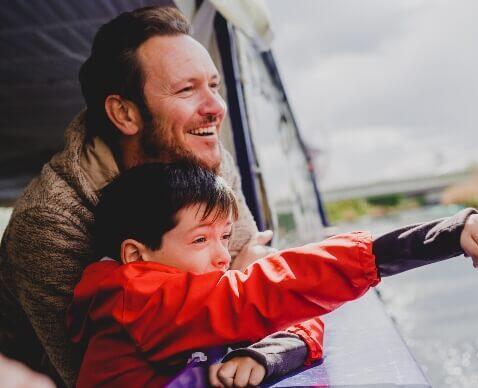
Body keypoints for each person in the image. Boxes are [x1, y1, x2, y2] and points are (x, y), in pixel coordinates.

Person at [68, 162, 478, 387]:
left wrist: (269, 352)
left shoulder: (189, 299)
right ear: (136, 255)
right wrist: (434, 238)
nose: (219, 257)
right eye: (198, 240)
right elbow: (268, 291)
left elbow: (288, 313)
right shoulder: (137, 300)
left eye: (223, 238)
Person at [0, 6, 273, 387]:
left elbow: (264, 286)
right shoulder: (51, 219)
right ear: (125, 113)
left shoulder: (206, 157)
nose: (215, 108)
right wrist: (240, 279)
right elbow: (101, 376)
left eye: (214, 85)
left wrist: (244, 289)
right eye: (187, 89)